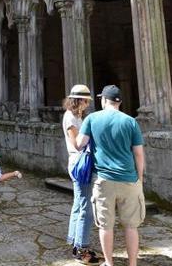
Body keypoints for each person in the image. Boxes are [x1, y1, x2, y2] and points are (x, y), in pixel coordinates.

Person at [76, 85, 146, 266]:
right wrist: (139, 178)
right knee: (131, 226)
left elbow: (79, 144)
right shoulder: (130, 122)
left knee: (105, 226)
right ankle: (132, 264)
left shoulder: (92, 118)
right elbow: (138, 154)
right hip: (129, 180)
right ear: (119, 102)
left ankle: (109, 263)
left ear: (104, 100)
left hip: (104, 180)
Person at [63, 84, 100, 264]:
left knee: (79, 205)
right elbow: (77, 143)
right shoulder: (70, 117)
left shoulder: (77, 116)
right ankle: (82, 250)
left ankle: (76, 244)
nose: (87, 104)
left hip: (79, 163)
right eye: (85, 101)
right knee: (85, 207)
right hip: (79, 163)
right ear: (79, 100)